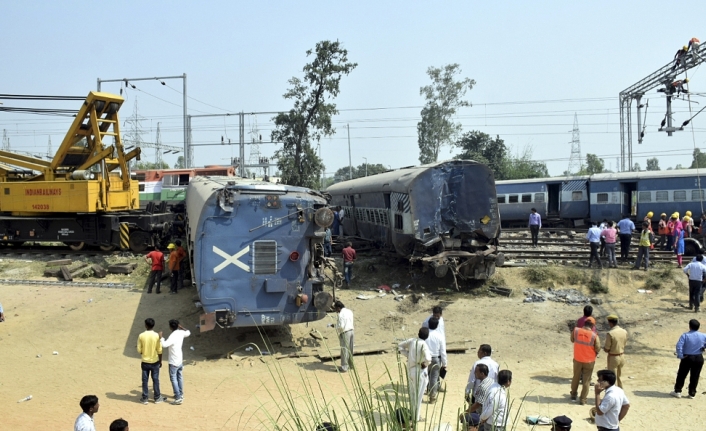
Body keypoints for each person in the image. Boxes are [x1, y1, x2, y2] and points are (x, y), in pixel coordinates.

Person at [398, 327, 431, 422]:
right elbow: (428, 359)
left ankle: (413, 415)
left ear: (418, 333)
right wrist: (424, 364)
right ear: (427, 336)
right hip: (419, 372)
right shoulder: (423, 344)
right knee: (418, 396)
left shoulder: (412, 341)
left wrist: (408, 355)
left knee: (412, 395)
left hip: (411, 371)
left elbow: (400, 346)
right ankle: (416, 417)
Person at [670, 319, 706, 398]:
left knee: (682, 374)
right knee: (695, 376)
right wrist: (703, 347)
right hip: (699, 358)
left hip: (687, 357)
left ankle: (678, 391)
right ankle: (692, 393)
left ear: (689, 326)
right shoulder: (704, 335)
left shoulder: (685, 335)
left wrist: (680, 355)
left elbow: (679, 346)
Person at [570, 317, 600, 405]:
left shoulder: (576, 331)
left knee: (576, 376)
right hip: (589, 361)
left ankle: (573, 395)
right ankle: (583, 399)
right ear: (592, 325)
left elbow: (572, 340)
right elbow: (598, 348)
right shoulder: (594, 335)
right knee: (586, 380)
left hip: (577, 359)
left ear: (585, 323)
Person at [160, 319, 191, 405]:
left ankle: (178, 397)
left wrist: (161, 338)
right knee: (179, 377)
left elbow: (164, 345)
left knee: (173, 378)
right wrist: (182, 328)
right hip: (180, 360)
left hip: (173, 361)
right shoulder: (181, 332)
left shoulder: (173, 335)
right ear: (178, 325)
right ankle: (180, 394)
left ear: (170, 327)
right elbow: (188, 332)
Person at [137, 317, 166, 404]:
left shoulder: (141, 335)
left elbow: (139, 350)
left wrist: (144, 352)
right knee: (156, 379)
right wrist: (160, 361)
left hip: (145, 362)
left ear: (146, 325)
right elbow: (160, 350)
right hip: (155, 361)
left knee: (145, 380)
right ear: (153, 325)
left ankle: (145, 398)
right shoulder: (157, 336)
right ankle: (157, 397)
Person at [424, 317, 447, 403]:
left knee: (424, 376)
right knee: (434, 377)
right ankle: (432, 397)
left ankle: (422, 393)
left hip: (425, 359)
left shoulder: (425, 334)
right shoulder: (439, 336)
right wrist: (444, 363)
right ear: (437, 325)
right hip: (436, 358)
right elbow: (443, 351)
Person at [603, 314, 628, 388]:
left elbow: (607, 348)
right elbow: (625, 343)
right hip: (622, 356)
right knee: (619, 377)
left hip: (613, 357)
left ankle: (613, 394)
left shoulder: (610, 333)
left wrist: (604, 348)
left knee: (611, 378)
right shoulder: (624, 331)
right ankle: (620, 393)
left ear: (610, 323)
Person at [334, 300, 354, 373]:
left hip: (345, 332)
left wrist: (334, 326)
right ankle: (351, 365)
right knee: (350, 349)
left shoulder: (341, 314)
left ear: (338, 308)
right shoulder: (349, 311)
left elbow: (341, 326)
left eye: (336, 309)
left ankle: (344, 367)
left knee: (344, 350)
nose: (336, 311)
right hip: (351, 331)